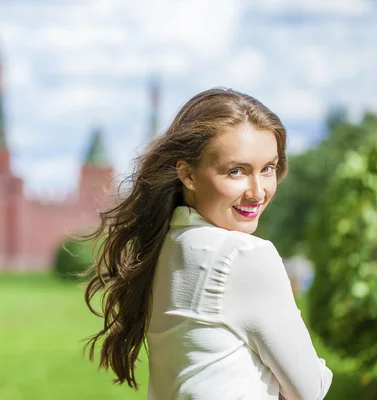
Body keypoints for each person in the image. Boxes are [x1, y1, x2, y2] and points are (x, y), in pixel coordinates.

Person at [83, 88, 333, 399]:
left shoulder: (164, 246)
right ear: (186, 173)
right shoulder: (244, 256)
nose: (258, 192)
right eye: (236, 171)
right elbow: (312, 388)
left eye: (267, 168)